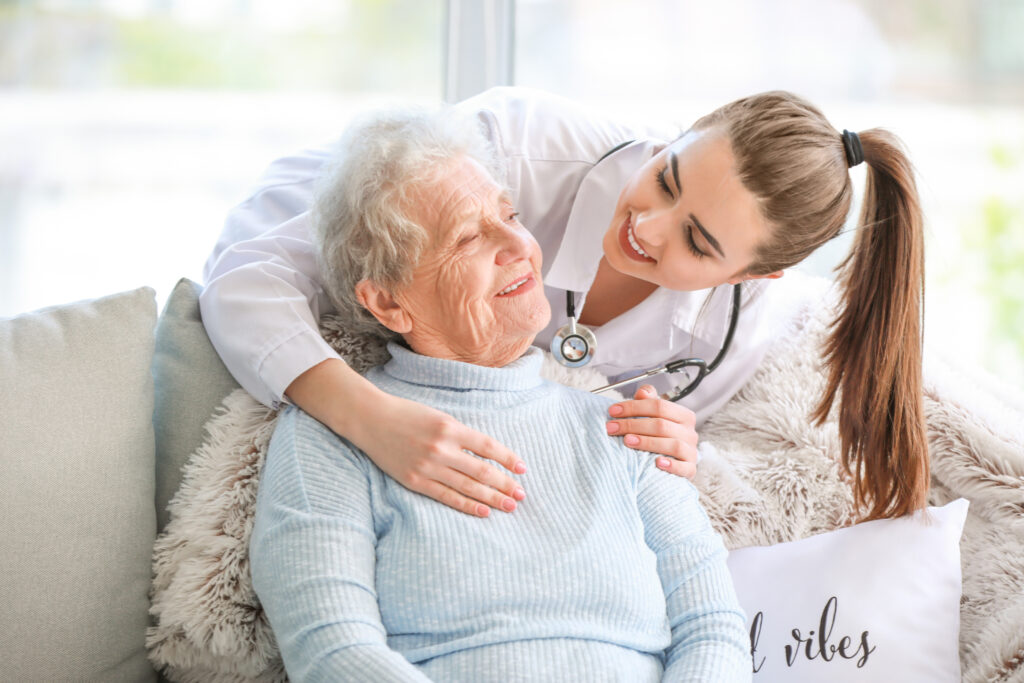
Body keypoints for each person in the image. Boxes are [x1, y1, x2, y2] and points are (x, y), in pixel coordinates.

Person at [204, 86, 927, 522]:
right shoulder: (516, 148)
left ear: (755, 275)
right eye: (667, 177)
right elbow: (243, 274)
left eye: (697, 243)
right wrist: (371, 417)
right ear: (675, 135)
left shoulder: (731, 335)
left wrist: (682, 449)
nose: (643, 227)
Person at [248, 108, 750, 681]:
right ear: (387, 303)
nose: (520, 244)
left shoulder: (625, 427)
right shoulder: (330, 434)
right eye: (468, 237)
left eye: (510, 214)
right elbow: (332, 653)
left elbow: (713, 627)